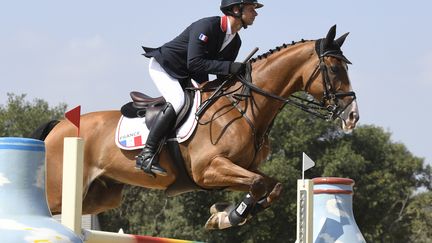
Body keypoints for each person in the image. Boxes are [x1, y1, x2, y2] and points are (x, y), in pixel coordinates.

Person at [137, 0, 264, 177]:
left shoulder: (236, 42)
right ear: (236, 9)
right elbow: (195, 62)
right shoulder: (207, 26)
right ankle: (146, 154)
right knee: (178, 100)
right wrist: (229, 67)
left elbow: (221, 77)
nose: (255, 14)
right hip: (167, 66)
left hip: (191, 74)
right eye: (252, 9)